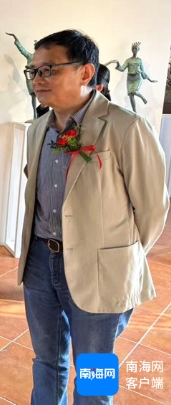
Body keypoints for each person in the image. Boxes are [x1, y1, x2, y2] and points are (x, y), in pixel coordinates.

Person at [19, 29, 169, 405]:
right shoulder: (38, 128)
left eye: (48, 69)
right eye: (34, 71)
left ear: (86, 73)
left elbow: (153, 209)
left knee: (94, 373)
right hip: (40, 261)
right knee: (46, 362)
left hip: (100, 269)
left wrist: (119, 256)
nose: (38, 79)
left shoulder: (126, 127)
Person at [107, 42, 157, 113]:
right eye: (133, 48)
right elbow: (122, 69)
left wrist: (150, 80)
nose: (134, 50)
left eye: (135, 49)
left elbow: (143, 71)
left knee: (134, 91)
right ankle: (134, 112)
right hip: (129, 79)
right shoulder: (128, 60)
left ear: (138, 50)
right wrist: (118, 64)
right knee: (131, 95)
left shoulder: (139, 60)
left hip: (137, 78)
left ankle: (142, 98)